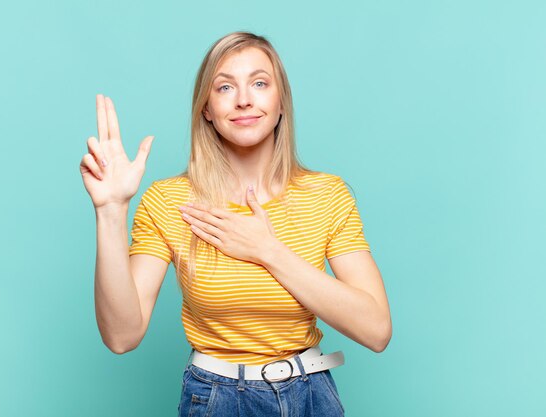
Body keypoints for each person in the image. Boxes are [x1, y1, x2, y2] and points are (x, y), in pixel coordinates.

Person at [80, 31, 391, 417]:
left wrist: (267, 250)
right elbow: (122, 336)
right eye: (225, 87)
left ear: (281, 103)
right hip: (217, 400)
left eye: (259, 83)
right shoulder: (169, 200)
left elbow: (376, 330)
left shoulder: (326, 194)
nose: (244, 98)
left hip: (314, 396)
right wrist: (110, 210)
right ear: (206, 108)